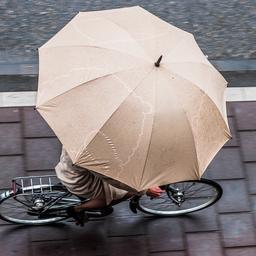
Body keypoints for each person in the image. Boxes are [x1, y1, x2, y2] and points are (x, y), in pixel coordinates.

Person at [55, 147, 164, 226]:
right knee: (121, 193)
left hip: (67, 169)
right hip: (81, 183)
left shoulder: (81, 136)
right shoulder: (91, 156)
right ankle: (78, 209)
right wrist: (143, 190)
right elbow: (114, 180)